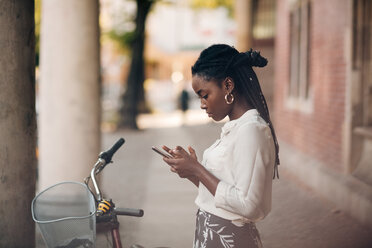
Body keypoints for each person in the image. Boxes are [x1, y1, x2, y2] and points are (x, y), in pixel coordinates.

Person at [162, 44, 280, 248]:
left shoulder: (251, 131)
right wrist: (191, 172)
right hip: (212, 235)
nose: (202, 104)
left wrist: (198, 169)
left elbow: (249, 205)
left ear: (227, 85)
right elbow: (224, 194)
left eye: (204, 95)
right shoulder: (235, 128)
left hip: (230, 239)